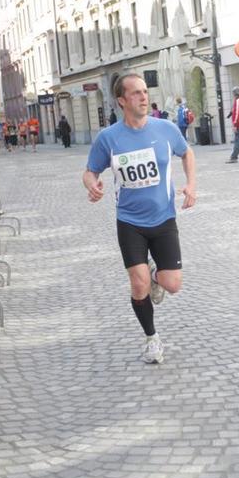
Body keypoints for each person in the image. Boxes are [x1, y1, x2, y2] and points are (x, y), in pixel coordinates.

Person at [82, 74, 197, 364]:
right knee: (138, 284)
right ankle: (151, 338)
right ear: (121, 100)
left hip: (164, 219)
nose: (143, 97)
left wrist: (191, 185)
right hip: (130, 222)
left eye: (145, 91)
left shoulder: (166, 129)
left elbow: (187, 153)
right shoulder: (109, 138)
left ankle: (156, 275)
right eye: (135, 93)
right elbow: (90, 171)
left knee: (173, 284)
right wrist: (92, 185)